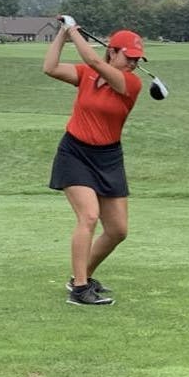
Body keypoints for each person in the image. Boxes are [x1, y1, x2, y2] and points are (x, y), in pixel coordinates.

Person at [43, 19, 146, 305]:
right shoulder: (86, 74)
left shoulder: (130, 84)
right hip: (75, 153)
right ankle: (79, 289)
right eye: (130, 57)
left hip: (109, 158)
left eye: (138, 60)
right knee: (88, 216)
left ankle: (82, 275)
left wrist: (73, 29)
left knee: (117, 230)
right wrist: (61, 36)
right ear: (112, 51)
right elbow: (50, 68)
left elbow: (92, 58)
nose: (134, 64)